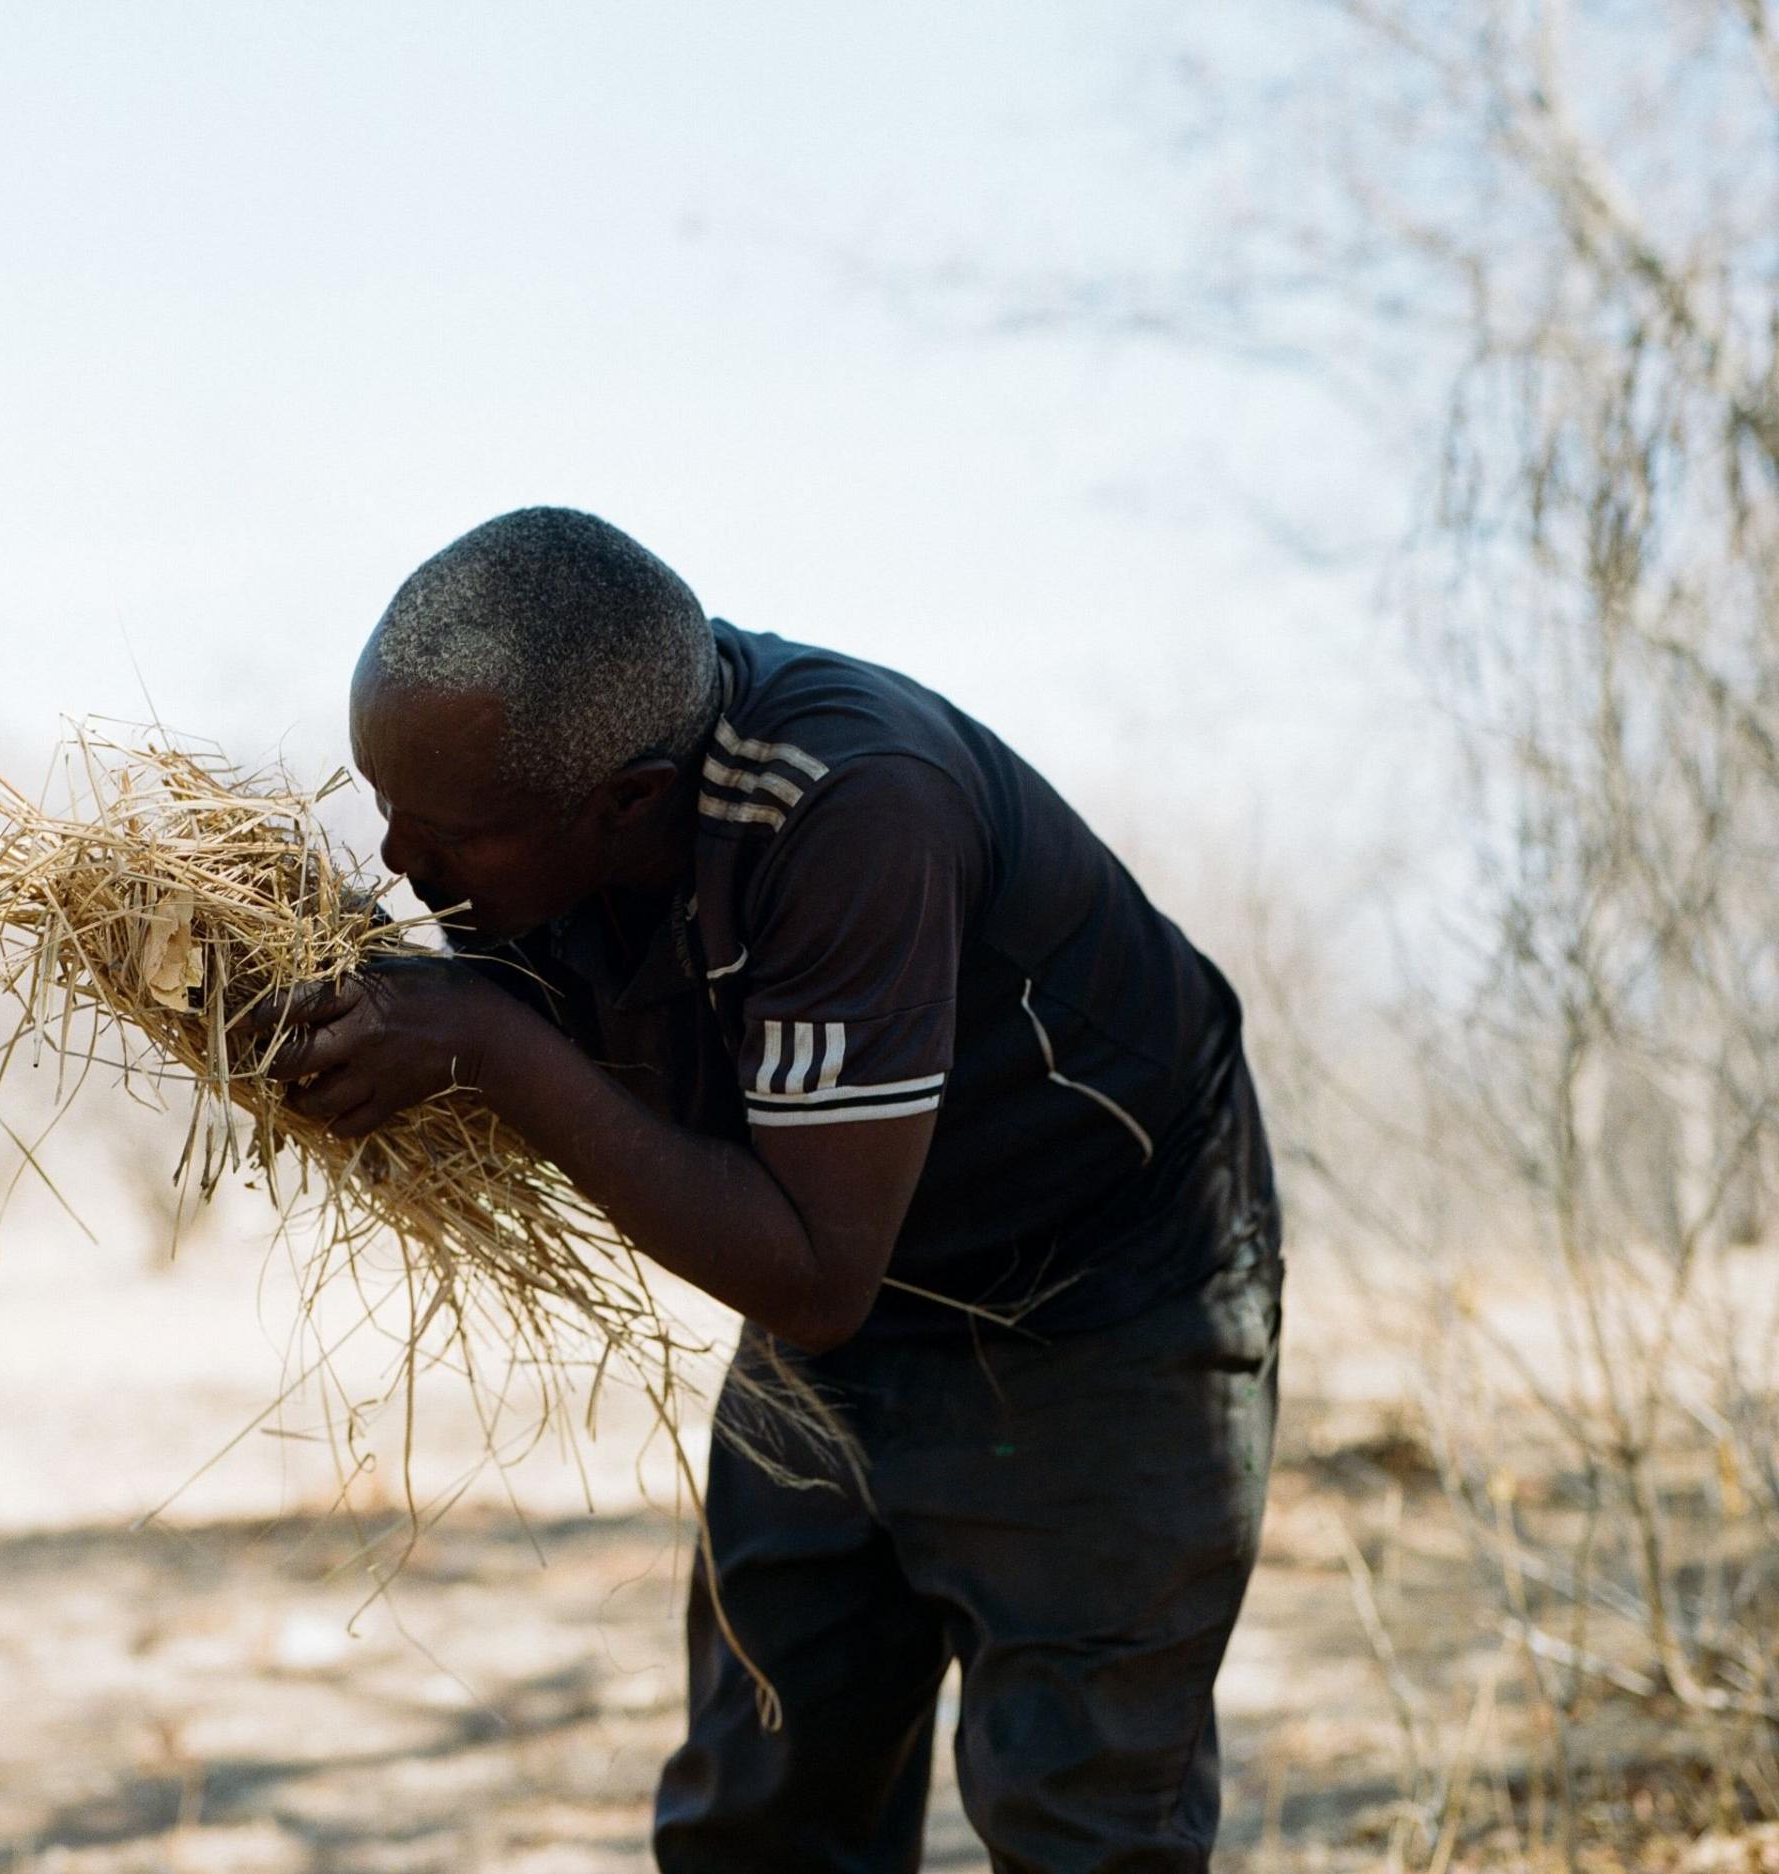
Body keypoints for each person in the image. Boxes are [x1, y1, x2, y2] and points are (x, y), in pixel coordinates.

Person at [263, 507, 1283, 1873]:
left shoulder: (850, 807)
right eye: (383, 804)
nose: (400, 862)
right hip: (844, 1304)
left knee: (1083, 1811)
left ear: (625, 798)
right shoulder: (540, 817)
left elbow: (813, 1266)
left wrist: (490, 1044)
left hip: (1098, 1294)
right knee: (763, 1807)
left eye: (444, 830)